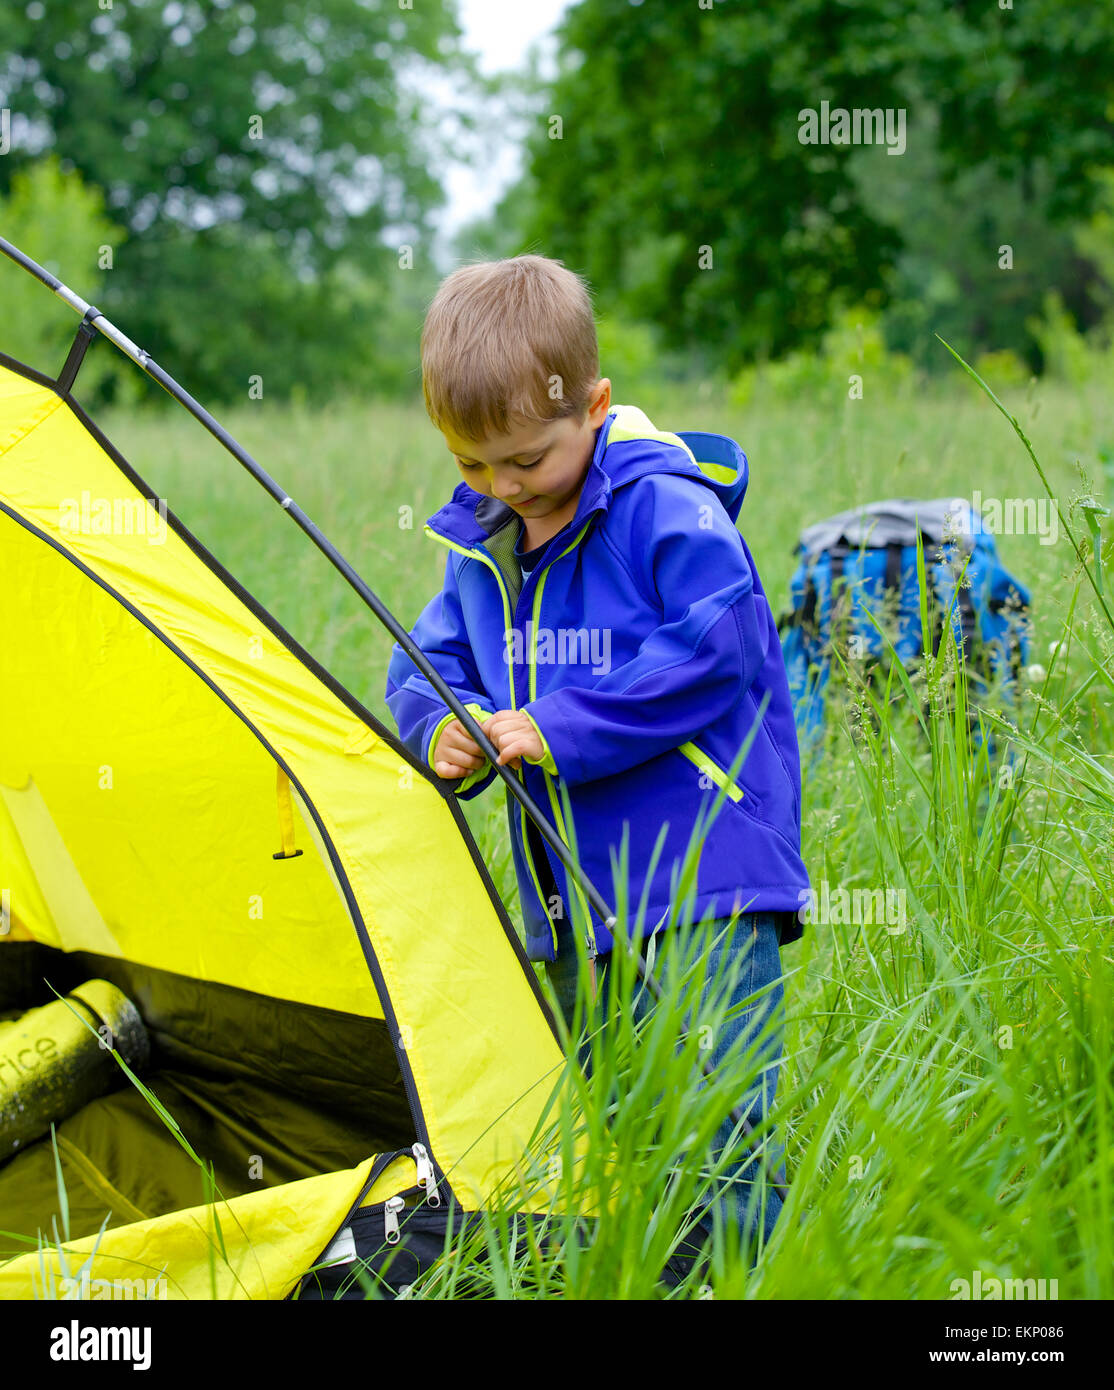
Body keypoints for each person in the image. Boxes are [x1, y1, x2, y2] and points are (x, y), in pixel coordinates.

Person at [385, 254, 810, 1267]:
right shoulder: (485, 541)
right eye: (471, 464)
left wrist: (561, 726)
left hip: (703, 874)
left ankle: (751, 1275)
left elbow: (721, 645)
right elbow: (429, 656)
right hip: (576, 896)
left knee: (722, 1107)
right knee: (620, 1108)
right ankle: (665, 1271)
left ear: (596, 405)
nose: (502, 486)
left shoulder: (668, 508)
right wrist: (440, 723)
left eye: (527, 460)